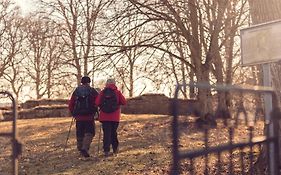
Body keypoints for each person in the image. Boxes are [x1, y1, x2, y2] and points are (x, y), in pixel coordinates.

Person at [68, 76, 99, 158]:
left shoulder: (77, 91)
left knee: (80, 133)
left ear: (81, 82)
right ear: (89, 82)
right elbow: (98, 101)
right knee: (90, 132)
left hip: (78, 117)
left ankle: (80, 149)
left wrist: (73, 113)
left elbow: (71, 104)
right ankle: (85, 148)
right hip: (89, 116)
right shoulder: (92, 91)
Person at [95, 78, 126, 157]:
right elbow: (124, 102)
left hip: (104, 117)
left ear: (106, 84)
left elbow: (97, 102)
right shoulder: (117, 92)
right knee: (113, 133)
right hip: (115, 117)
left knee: (106, 134)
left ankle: (106, 150)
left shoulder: (102, 92)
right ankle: (115, 148)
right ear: (114, 84)